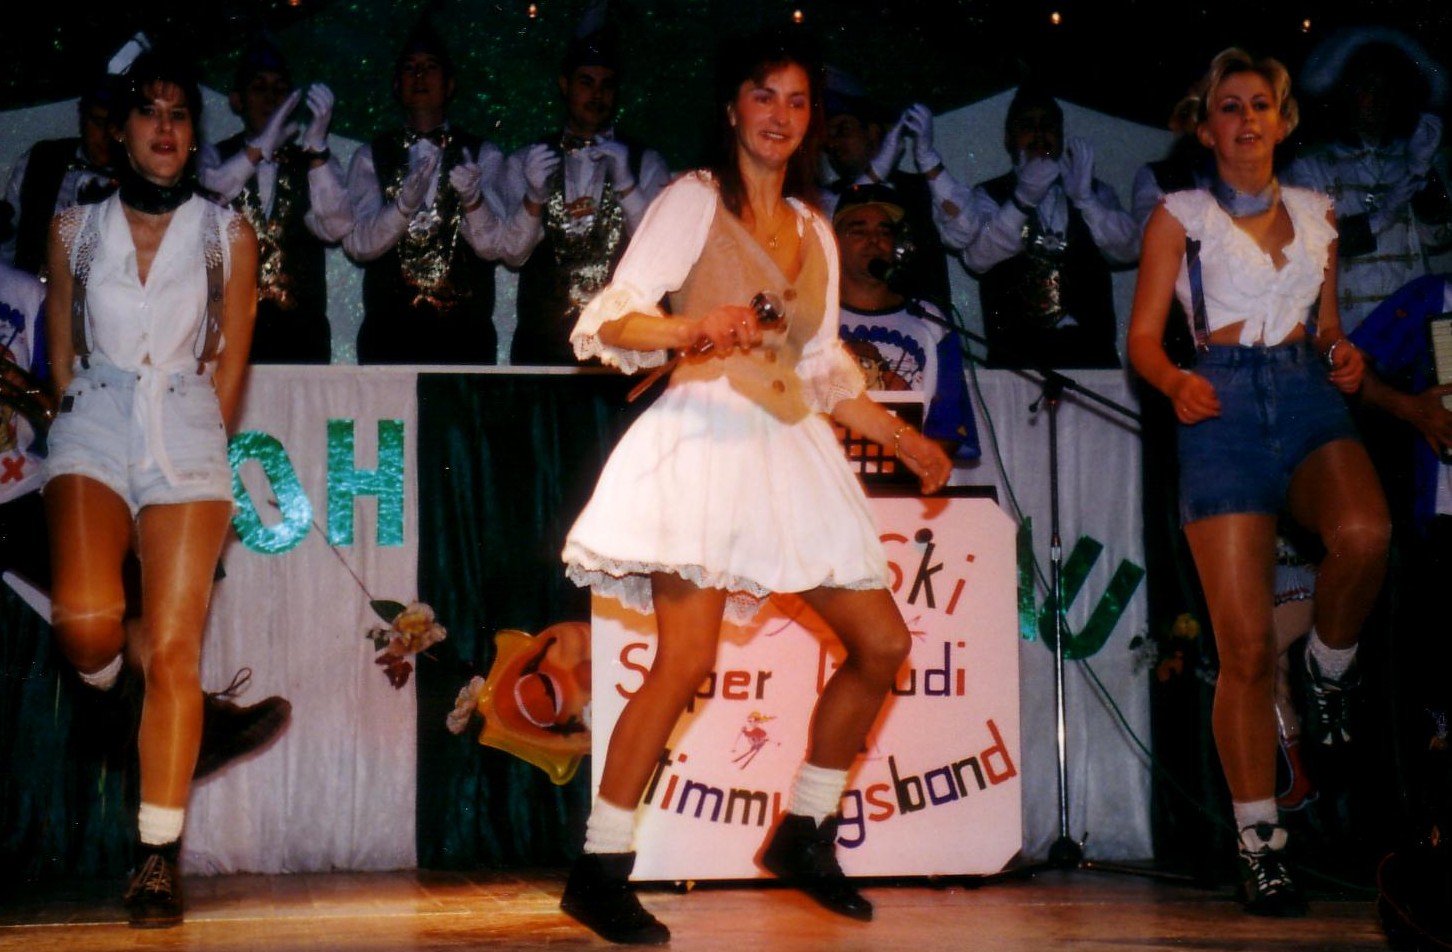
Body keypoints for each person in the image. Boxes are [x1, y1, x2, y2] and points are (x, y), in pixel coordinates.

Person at [555, 28, 953, 945]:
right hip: (704, 444)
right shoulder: (695, 199)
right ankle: (599, 869)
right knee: (685, 661)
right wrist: (692, 328)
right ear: (733, 108)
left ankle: (805, 830)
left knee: (883, 642)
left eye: (797, 100)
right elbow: (613, 319)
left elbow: (822, 369)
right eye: (764, 96)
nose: (780, 115)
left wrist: (905, 440)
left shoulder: (815, 228)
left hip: (788, 447)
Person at [1127, 48, 1391, 916]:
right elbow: (1142, 340)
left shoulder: (1318, 214)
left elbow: (1327, 328)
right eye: (1229, 107)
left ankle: (1329, 664)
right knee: (1242, 651)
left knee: (1366, 533)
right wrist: (1175, 382)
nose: (1247, 119)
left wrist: (1343, 355)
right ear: (1206, 130)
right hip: (1223, 407)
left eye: (1260, 105)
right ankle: (1259, 842)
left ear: (1283, 121)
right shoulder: (1182, 216)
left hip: (1306, 395)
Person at [41, 48, 260, 928]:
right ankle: (130, 677)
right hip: (94, 415)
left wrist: (205, 433)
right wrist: (79, 416)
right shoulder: (73, 230)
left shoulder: (226, 233)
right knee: (87, 623)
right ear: (122, 129)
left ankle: (157, 856)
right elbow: (60, 347)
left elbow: (231, 360)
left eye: (180, 113)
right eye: (149, 111)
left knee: (175, 650)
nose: (165, 127)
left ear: (192, 135)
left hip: (188, 423)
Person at [343, 19, 519, 364]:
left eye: (430, 67)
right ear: (397, 86)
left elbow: (495, 246)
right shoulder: (369, 156)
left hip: (464, 339)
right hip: (388, 339)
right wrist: (401, 207)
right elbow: (361, 246)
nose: (420, 76)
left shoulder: (484, 155)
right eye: (410, 68)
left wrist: (473, 201)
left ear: (450, 85)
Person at [500, 22, 671, 365]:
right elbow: (513, 254)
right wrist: (534, 196)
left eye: (607, 85)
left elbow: (661, 255)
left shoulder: (646, 163)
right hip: (544, 345)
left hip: (618, 350)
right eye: (586, 82)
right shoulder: (527, 160)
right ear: (565, 85)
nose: (597, 94)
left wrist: (628, 187)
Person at [1286, 27, 1452, 335]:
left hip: (1410, 331)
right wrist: (1382, 215)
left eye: (1385, 89)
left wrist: (1421, 171)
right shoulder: (1310, 166)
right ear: (1346, 94)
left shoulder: (1416, 156)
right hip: (1347, 332)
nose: (1377, 99)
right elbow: (1311, 252)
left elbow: (1439, 239)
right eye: (1367, 88)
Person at [962, 83, 1139, 369]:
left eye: (1048, 125)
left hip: (1090, 357)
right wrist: (1022, 200)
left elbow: (1131, 250)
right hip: (1016, 361)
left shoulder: (1095, 191)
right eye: (1027, 126)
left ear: (1060, 135)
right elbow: (977, 257)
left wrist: (1086, 201)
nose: (1039, 134)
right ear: (1008, 138)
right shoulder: (988, 195)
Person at [198, 36, 352, 363]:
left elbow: (337, 227)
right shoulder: (213, 158)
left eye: (280, 89)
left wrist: (317, 152)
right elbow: (208, 203)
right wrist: (257, 150)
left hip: (300, 337)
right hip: (229, 334)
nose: (270, 98)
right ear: (237, 100)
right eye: (259, 87)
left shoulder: (315, 161)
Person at [833, 181, 980, 462]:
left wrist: (921, 467)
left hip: (905, 478)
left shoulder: (931, 320)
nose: (874, 241)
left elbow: (948, 424)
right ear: (834, 240)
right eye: (859, 231)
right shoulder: (812, 315)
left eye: (884, 232)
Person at [818, 72, 961, 311]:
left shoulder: (920, 189)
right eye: (826, 138)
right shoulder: (824, 200)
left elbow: (964, 233)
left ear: (873, 132)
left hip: (925, 326)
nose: (832, 144)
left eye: (842, 130)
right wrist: (878, 170)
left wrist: (928, 158)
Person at [2, 71, 120, 276]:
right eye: (99, 123)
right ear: (82, 117)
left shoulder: (140, 181)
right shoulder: (40, 159)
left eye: (117, 126)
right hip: (30, 289)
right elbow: (6, 242)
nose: (107, 136)